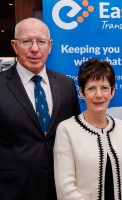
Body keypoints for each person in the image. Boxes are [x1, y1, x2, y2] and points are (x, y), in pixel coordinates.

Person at [0, 18, 80, 200]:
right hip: (11, 190)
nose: (35, 49)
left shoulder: (66, 85)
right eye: (27, 41)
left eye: (41, 42)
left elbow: (75, 134)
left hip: (59, 189)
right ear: (14, 45)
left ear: (50, 46)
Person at [54, 59, 122, 200]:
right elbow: (65, 188)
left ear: (112, 91)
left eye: (104, 88)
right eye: (91, 88)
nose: (99, 95)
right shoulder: (66, 130)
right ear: (82, 92)